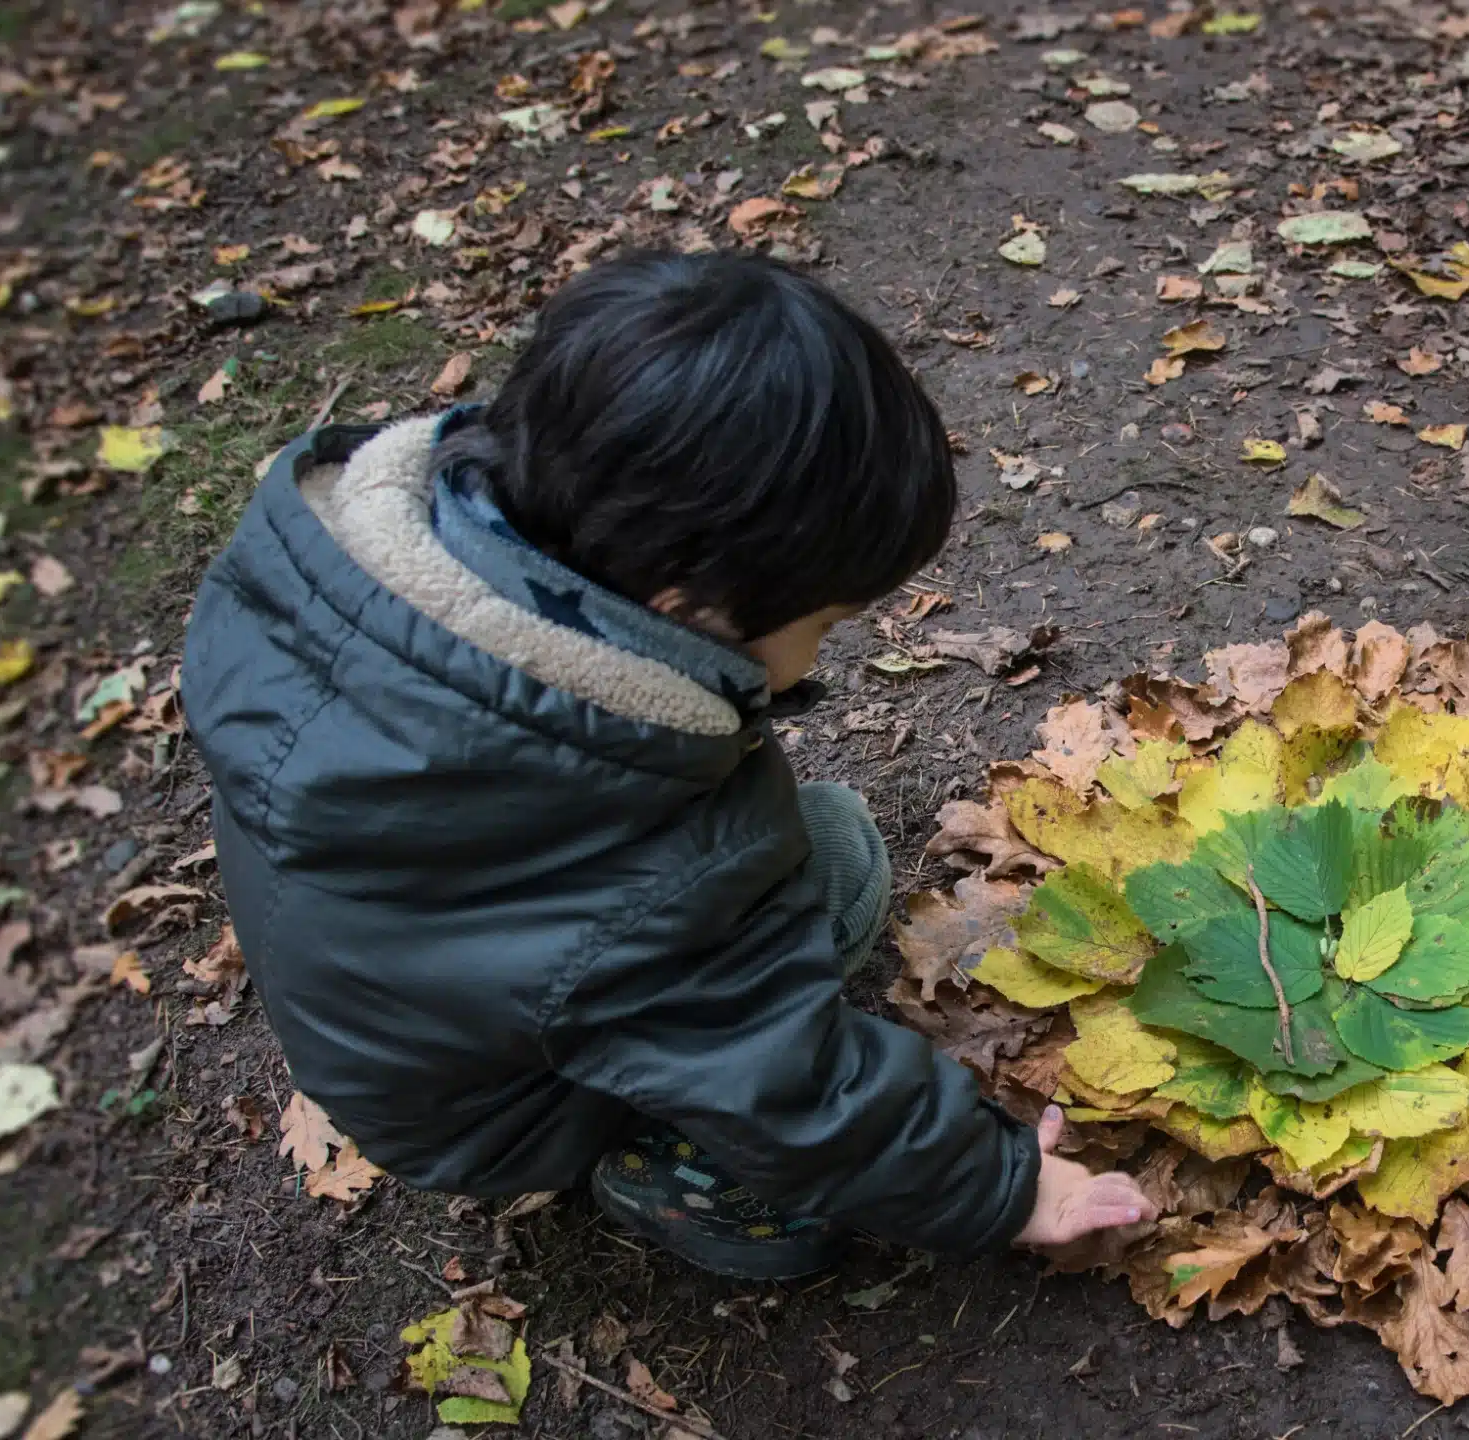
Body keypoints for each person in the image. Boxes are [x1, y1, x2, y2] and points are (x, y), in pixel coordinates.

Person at [181, 251, 1156, 1278]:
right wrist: (1001, 1185)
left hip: (397, 1014)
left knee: (813, 850)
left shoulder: (358, 579)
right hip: (495, 1114)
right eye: (824, 623)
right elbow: (788, 1084)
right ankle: (671, 1169)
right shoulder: (631, 872)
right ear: (684, 603)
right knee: (836, 876)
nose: (821, 653)